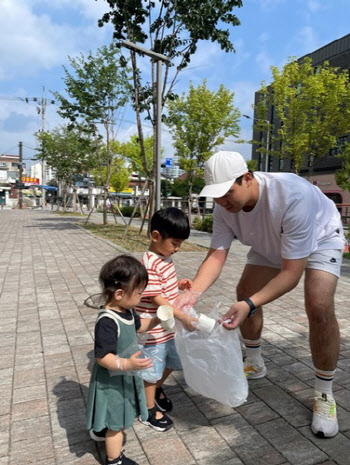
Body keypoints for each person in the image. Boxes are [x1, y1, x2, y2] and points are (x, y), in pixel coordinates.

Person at [191, 151, 344, 438]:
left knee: (319, 306)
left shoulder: (292, 194)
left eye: (226, 193)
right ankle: (255, 362)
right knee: (244, 290)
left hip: (321, 237)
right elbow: (216, 255)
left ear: (247, 178)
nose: (221, 201)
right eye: (215, 195)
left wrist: (249, 305)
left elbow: (291, 274)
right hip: (272, 241)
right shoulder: (224, 209)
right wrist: (193, 293)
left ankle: (324, 394)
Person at [86, 255, 161, 465]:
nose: (141, 296)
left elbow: (139, 327)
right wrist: (126, 364)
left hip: (124, 373)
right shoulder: (108, 321)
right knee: (116, 422)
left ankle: (101, 428)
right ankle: (114, 460)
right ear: (120, 294)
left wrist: (157, 319)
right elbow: (103, 357)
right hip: (112, 378)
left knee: (113, 412)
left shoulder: (127, 310)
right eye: (139, 293)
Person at [135, 207, 196, 432]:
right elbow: (157, 299)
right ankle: (147, 409)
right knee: (152, 369)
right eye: (175, 243)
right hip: (152, 330)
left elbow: (164, 286)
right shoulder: (149, 263)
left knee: (173, 361)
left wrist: (178, 284)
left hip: (167, 326)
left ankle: (153, 388)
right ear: (156, 236)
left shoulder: (164, 257)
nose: (178, 249)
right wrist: (184, 317)